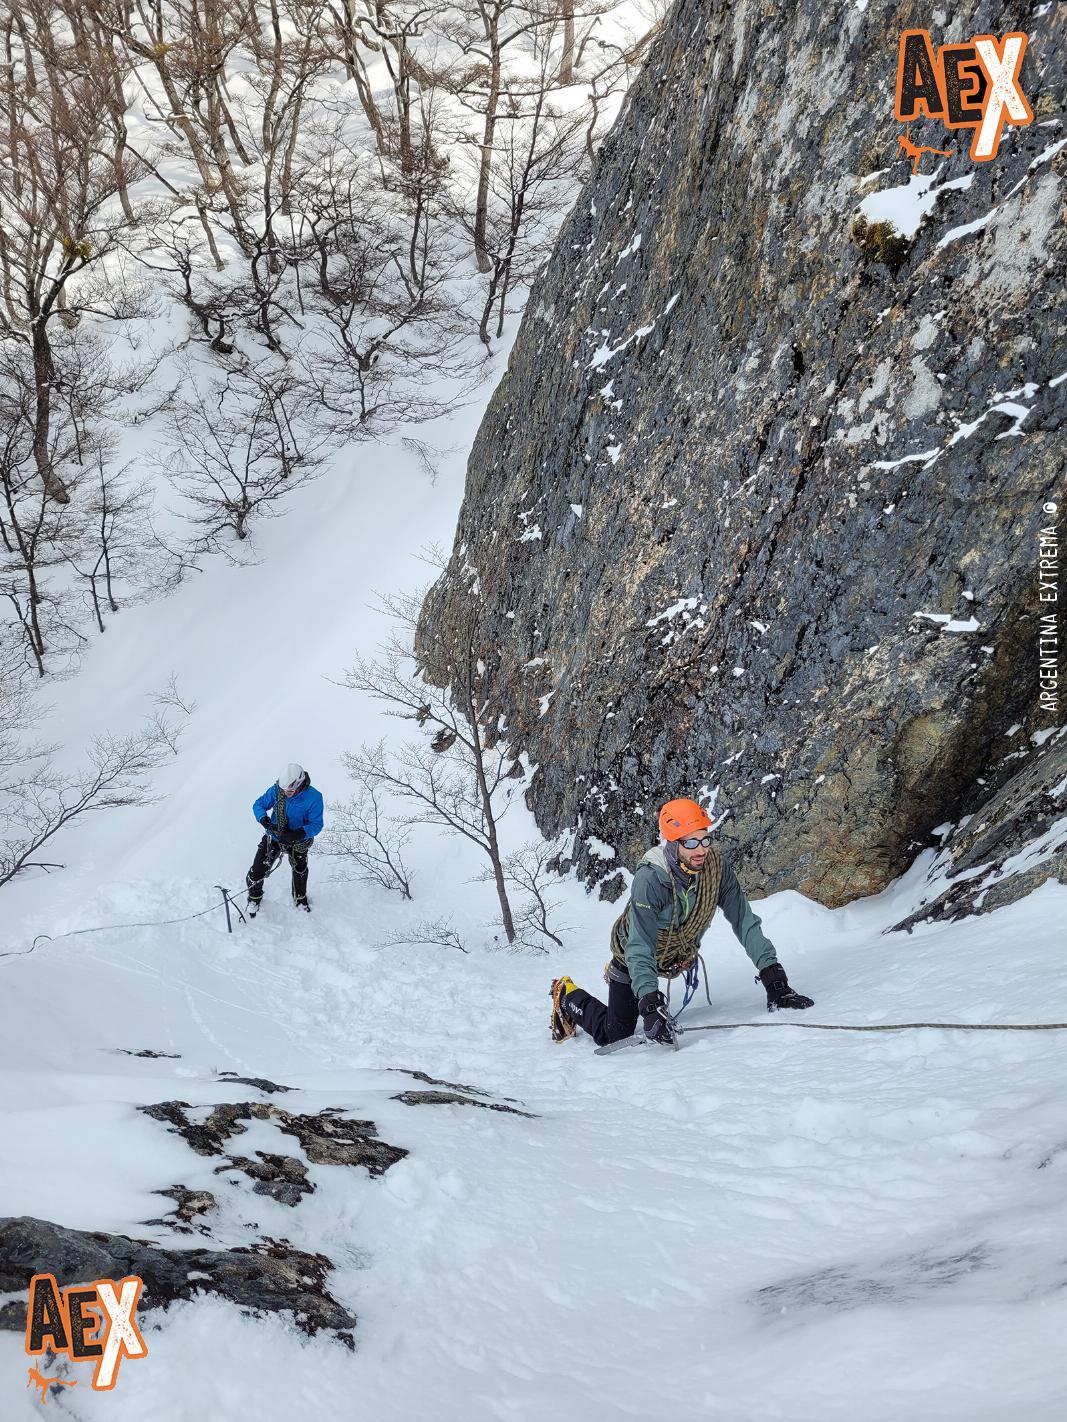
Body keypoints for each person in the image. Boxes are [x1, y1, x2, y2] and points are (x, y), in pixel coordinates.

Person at [550, 797, 814, 1047]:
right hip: (632, 956)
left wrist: (774, 978)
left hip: (674, 954)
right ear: (673, 843)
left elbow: (744, 922)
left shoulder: (716, 870)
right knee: (616, 1035)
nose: (700, 850)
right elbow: (639, 945)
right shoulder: (651, 879)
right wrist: (651, 1006)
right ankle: (568, 996)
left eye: (705, 840)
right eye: (690, 843)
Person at [246, 763, 324, 914]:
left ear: (300, 784)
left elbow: (317, 824)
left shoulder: (314, 797)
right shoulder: (277, 790)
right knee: (258, 869)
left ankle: (300, 898)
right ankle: (254, 897)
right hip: (274, 836)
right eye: (284, 791)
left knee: (300, 869)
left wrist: (299, 833)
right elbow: (259, 804)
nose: (286, 793)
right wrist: (263, 818)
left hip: (298, 840)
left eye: (290, 791)